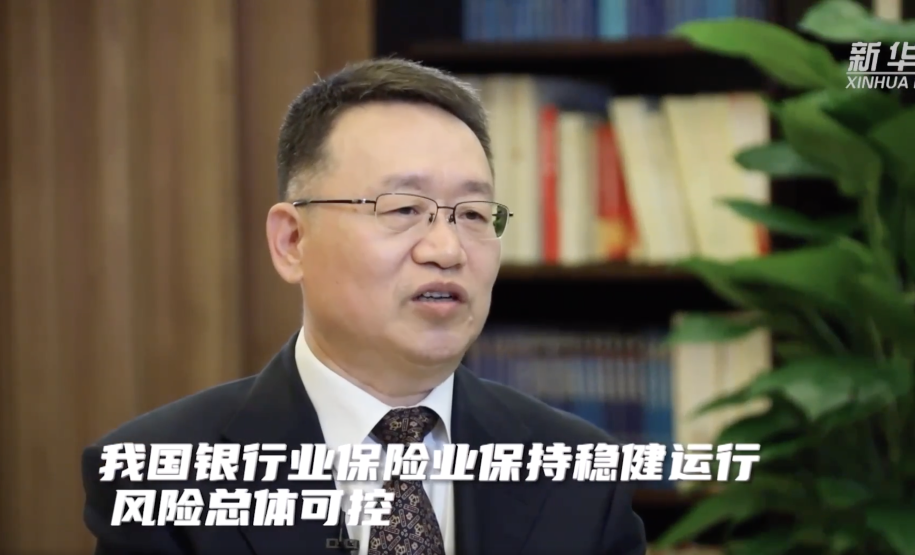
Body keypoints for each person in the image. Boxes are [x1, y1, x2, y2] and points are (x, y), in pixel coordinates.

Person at [81, 58, 647, 555]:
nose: (447, 250)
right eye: (403, 209)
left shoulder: (582, 474)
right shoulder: (162, 477)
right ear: (292, 242)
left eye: (473, 215)